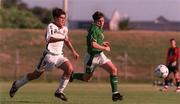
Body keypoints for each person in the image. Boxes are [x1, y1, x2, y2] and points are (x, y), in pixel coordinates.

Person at [9, 8, 79, 101]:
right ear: (55, 18)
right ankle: (17, 84)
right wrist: (62, 39)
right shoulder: (51, 26)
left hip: (59, 56)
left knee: (69, 69)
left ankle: (59, 92)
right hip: (49, 56)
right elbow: (49, 39)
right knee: (36, 75)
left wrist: (73, 51)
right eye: (61, 18)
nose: (63, 20)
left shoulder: (65, 29)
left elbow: (66, 41)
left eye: (64, 18)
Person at [70, 11, 123, 101]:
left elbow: (96, 41)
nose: (102, 23)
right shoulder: (94, 29)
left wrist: (102, 43)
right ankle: (73, 76)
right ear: (95, 21)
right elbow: (93, 44)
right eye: (99, 21)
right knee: (87, 78)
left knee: (113, 70)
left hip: (100, 55)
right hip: (91, 58)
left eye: (103, 20)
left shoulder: (98, 28)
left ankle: (115, 94)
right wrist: (104, 48)